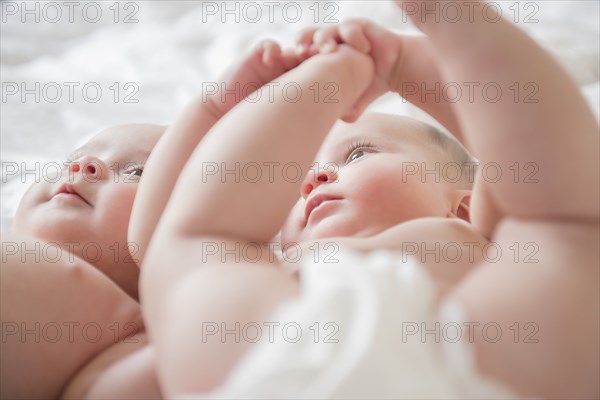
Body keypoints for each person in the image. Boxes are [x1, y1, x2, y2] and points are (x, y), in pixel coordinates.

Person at [138, 1, 599, 399]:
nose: (313, 178)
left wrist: (410, 67)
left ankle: (449, 18)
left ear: (460, 203)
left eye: (358, 153)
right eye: (291, 179)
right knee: (563, 225)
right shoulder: (274, 262)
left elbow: (510, 160)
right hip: (296, 352)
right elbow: (147, 236)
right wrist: (218, 108)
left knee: (196, 241)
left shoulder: (473, 236)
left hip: (452, 352)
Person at [0, 42, 306, 399]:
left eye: (135, 171)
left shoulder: (142, 339)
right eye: (77, 155)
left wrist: (215, 110)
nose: (83, 166)